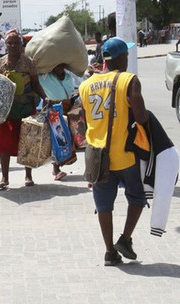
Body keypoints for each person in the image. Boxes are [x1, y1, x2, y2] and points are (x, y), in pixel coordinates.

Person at [79, 37, 148, 266]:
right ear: (121, 58)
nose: (127, 59)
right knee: (137, 197)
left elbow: (84, 121)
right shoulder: (129, 80)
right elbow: (141, 118)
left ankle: (109, 252)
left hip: (97, 158)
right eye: (126, 55)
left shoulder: (85, 85)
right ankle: (125, 239)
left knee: (103, 205)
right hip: (125, 156)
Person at [0, 29, 49, 189]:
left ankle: (28, 176)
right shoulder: (0, 63)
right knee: (4, 142)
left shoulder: (29, 62)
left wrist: (45, 97)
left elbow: (36, 84)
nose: (13, 46)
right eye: (10, 43)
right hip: (7, 109)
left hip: (26, 107)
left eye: (16, 43)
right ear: (5, 45)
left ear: (21, 45)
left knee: (27, 141)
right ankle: (4, 177)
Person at [38, 63, 77, 180]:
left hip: (67, 109)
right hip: (54, 110)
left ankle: (59, 166)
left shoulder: (69, 77)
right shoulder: (46, 77)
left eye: (61, 67)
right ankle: (56, 169)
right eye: (56, 67)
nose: (59, 69)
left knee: (68, 138)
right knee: (58, 138)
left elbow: (71, 91)